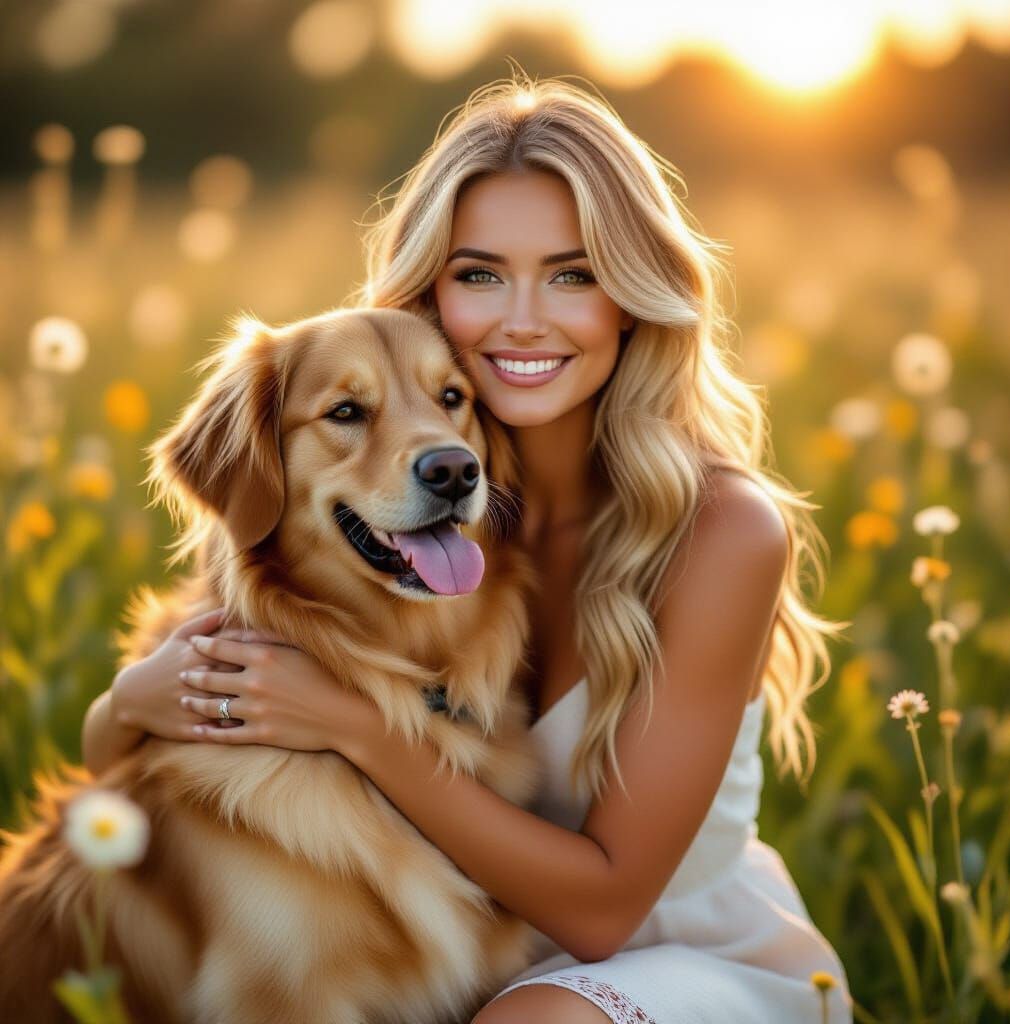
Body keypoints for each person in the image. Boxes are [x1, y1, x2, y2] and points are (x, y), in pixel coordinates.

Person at [82, 75, 854, 1023]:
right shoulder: (399, 510)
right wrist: (133, 698)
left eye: (573, 274)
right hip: (473, 954)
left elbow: (605, 912)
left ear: (634, 298)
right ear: (429, 291)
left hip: (677, 956)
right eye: (481, 273)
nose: (523, 318)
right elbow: (128, 755)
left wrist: (353, 726)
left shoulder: (723, 532)